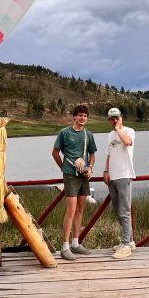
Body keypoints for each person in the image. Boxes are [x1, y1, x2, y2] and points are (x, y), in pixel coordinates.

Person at [52, 103, 97, 261]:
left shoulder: (88, 135)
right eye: (80, 115)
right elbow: (55, 152)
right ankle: (64, 247)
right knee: (70, 210)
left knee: (80, 209)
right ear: (74, 116)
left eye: (85, 116)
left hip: (84, 176)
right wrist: (63, 168)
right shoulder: (64, 133)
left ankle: (76, 243)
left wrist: (90, 167)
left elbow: (92, 155)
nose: (82, 118)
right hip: (70, 175)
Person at [102, 106, 135, 259]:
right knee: (117, 210)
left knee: (125, 211)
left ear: (121, 118)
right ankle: (130, 240)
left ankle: (126, 244)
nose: (114, 121)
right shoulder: (109, 136)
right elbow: (108, 155)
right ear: (108, 120)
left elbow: (127, 142)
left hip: (124, 175)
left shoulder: (129, 131)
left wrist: (119, 129)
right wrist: (105, 171)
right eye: (112, 118)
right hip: (112, 177)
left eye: (117, 118)